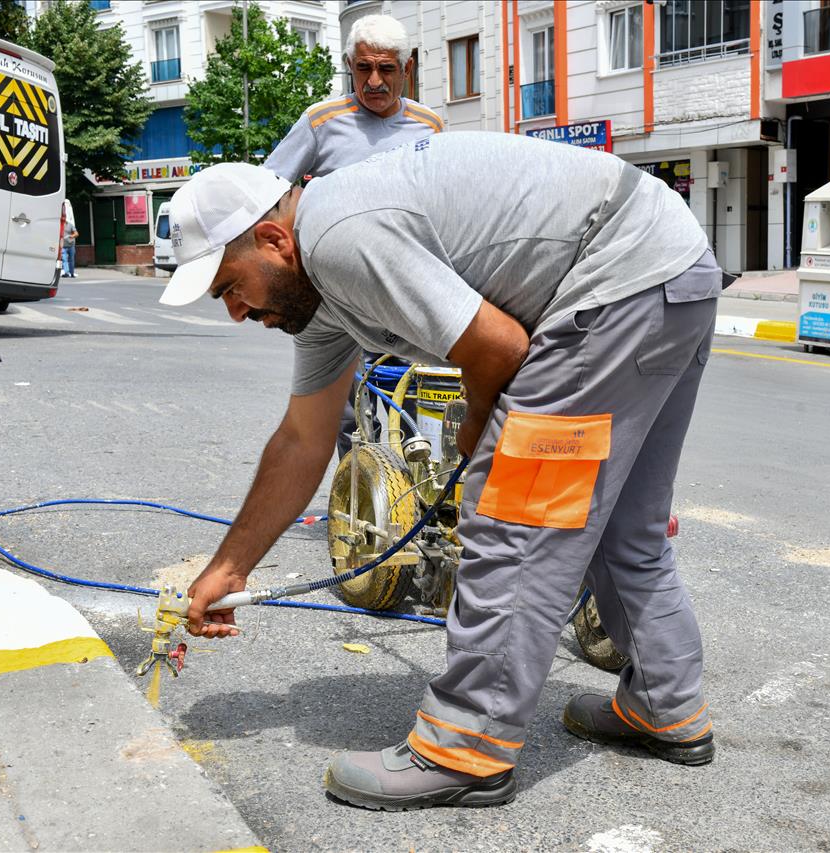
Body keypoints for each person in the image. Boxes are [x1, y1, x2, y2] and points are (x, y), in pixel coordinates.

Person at [162, 131, 719, 811]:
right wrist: (232, 563)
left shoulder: (339, 236)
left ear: (275, 241)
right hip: (673, 272)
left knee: (516, 516)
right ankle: (666, 702)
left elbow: (499, 348)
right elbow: (303, 439)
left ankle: (467, 744)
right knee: (623, 523)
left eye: (230, 285)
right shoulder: (316, 297)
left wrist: (483, 420)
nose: (236, 310)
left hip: (618, 278)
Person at [264, 13, 444, 460]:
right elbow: (269, 191)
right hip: (341, 291)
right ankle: (360, 503)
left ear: (408, 68)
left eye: (386, 68)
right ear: (350, 66)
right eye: (364, 68)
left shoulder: (431, 126)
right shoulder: (321, 121)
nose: (375, 80)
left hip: (413, 284)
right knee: (351, 411)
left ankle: (417, 501)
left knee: (420, 396)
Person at [61, 213, 78, 278]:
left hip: (71, 245)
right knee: (64, 259)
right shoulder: (59, 225)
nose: (63, 218)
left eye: (64, 217)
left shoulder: (70, 225)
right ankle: (66, 273)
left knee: (71, 259)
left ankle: (72, 273)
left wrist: (71, 236)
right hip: (63, 246)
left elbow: (76, 234)